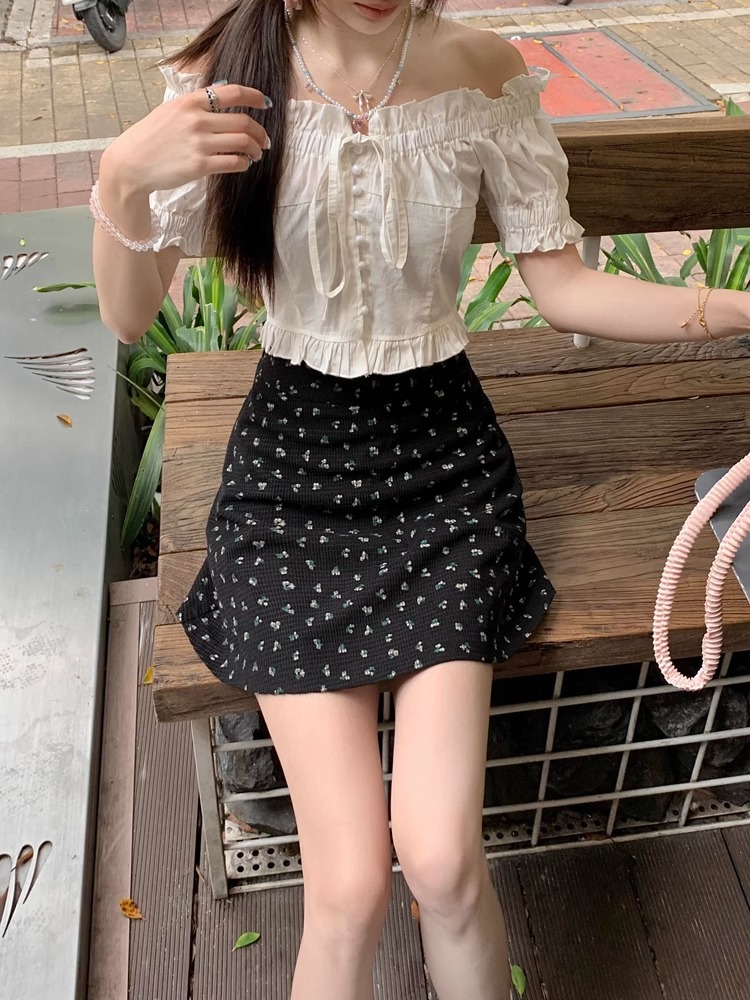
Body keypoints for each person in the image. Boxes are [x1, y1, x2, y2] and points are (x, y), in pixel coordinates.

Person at [91, 0, 750, 995]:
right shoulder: (229, 78)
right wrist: (121, 177)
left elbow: (565, 288)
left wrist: (737, 310)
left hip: (443, 475)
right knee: (349, 887)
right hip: (289, 484)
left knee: (441, 861)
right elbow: (127, 314)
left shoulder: (481, 69)